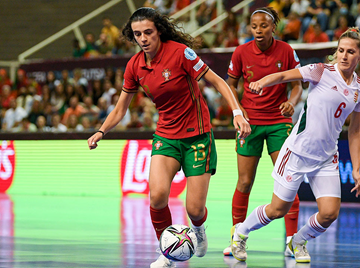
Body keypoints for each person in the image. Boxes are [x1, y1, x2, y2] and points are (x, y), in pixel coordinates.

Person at [86, 7, 251, 268]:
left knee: (194, 210)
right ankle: (168, 252)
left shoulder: (180, 53)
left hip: (198, 136)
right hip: (166, 136)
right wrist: (100, 130)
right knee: (157, 197)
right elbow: (120, 108)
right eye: (138, 34)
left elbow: (218, 81)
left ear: (159, 31)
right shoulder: (134, 66)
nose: (143, 38)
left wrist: (237, 113)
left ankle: (198, 231)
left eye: (148, 32)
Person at [229, 27, 360, 264]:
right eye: (341, 50)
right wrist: (263, 81)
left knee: (329, 213)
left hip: (326, 158)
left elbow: (354, 131)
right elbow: (285, 76)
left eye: (350, 52)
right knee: (277, 210)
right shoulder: (321, 71)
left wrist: (356, 168)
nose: (344, 56)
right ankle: (241, 233)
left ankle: (298, 241)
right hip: (297, 152)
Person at [223, 7, 303, 258]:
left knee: (287, 181)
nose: (258, 30)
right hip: (249, 123)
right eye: (254, 26)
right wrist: (237, 111)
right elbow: (230, 84)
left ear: (273, 27)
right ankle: (237, 237)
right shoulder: (240, 52)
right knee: (245, 182)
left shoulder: (287, 51)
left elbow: (297, 84)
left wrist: (292, 101)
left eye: (264, 25)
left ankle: (293, 240)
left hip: (279, 122)